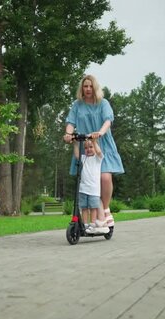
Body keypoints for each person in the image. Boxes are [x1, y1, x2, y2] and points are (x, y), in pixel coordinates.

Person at [63, 74, 124, 227]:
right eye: (85, 86)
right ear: (82, 88)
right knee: (88, 181)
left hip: (102, 144)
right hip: (86, 145)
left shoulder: (103, 103)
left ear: (95, 87)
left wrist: (100, 133)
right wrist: (68, 134)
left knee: (104, 178)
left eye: (91, 86)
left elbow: (108, 120)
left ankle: (105, 207)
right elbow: (71, 122)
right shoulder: (77, 105)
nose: (88, 89)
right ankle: (89, 218)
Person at [73, 138, 109, 234]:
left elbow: (99, 151)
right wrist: (75, 144)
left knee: (93, 208)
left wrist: (93, 141)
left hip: (94, 190)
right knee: (84, 208)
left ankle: (92, 224)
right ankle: (85, 225)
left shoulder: (98, 159)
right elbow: (77, 155)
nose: (88, 149)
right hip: (83, 189)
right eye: (86, 148)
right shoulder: (84, 158)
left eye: (91, 147)